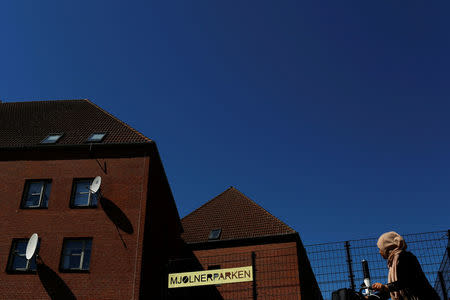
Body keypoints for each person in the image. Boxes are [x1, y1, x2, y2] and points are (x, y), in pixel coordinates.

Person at [371, 231, 440, 300]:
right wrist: (371, 297)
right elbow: (394, 290)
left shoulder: (404, 257)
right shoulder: (393, 263)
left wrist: (386, 287)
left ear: (387, 247)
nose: (379, 252)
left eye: (380, 249)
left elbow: (407, 281)